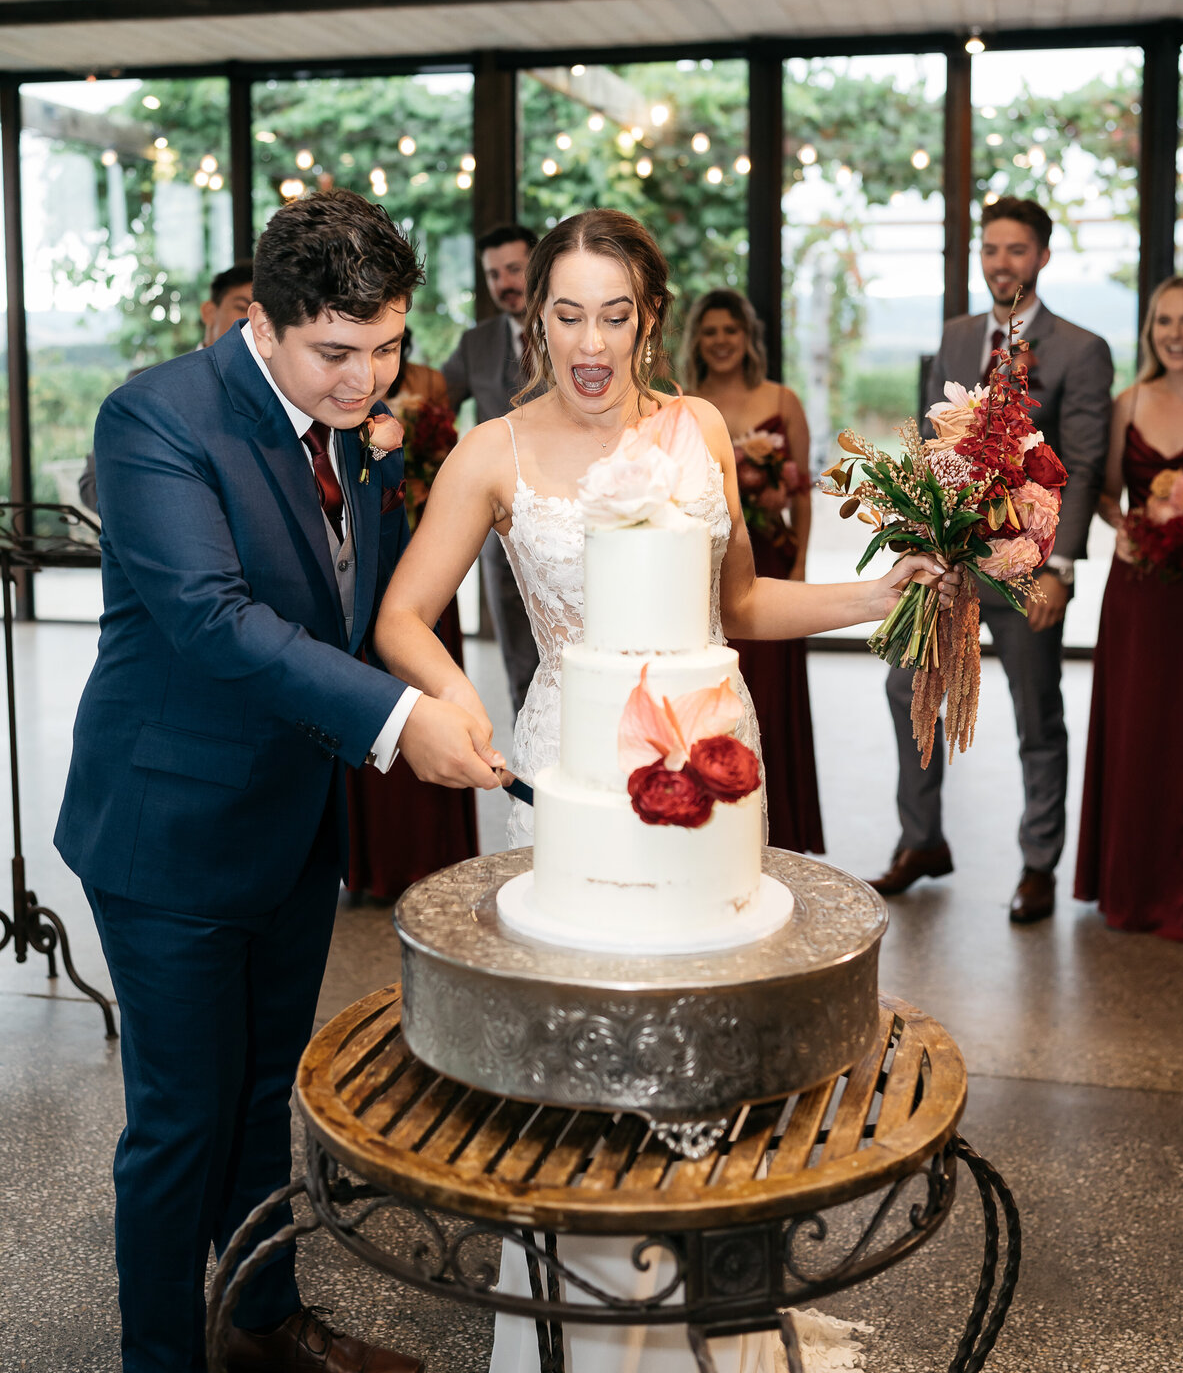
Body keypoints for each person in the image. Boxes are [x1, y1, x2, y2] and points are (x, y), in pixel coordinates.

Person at [375, 208, 957, 1373]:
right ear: (532, 315)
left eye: (616, 314)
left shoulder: (697, 426)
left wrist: (873, 594)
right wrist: (459, 700)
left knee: (710, 1036)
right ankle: (591, 1325)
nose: (591, 342)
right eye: (567, 313)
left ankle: (716, 1307)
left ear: (651, 318)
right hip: (573, 768)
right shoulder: (492, 450)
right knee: (589, 1050)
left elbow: (736, 608)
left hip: (714, 755)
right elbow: (400, 616)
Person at [55, 191, 507, 1373]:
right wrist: (400, 718)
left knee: (267, 1101)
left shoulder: (346, 422)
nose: (368, 381)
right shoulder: (156, 417)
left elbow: (341, 595)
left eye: (389, 346)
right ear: (265, 318)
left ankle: (266, 1321)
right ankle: (160, 1357)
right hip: (169, 830)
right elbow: (213, 621)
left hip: (291, 823)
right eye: (337, 353)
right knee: (180, 1125)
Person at [871, 194, 1113, 925]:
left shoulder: (1080, 349)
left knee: (1035, 710)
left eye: (1016, 249)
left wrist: (1057, 568)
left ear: (1042, 255)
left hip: (1025, 565)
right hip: (945, 559)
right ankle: (922, 841)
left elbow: (1088, 464)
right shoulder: (954, 338)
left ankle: (1039, 862)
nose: (1001, 262)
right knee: (904, 689)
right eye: (990, 249)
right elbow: (928, 444)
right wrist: (917, 537)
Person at [1075, 275, 1183, 940]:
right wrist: (1127, 528)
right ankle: (1137, 887)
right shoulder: (1128, 404)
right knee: (1140, 729)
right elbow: (1105, 490)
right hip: (1143, 594)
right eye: (1164, 322)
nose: (1176, 334)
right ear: (1150, 331)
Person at [681, 287, 824, 853]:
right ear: (698, 340)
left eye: (730, 331)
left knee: (776, 696)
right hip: (712, 564)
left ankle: (782, 831)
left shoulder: (783, 399)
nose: (720, 341)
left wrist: (803, 563)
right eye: (710, 331)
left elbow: (804, 493)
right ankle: (721, 823)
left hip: (775, 557)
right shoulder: (684, 403)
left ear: (748, 338)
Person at [345, 330, 478, 901]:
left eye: (387, 346)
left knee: (437, 712)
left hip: (420, 557)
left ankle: (434, 855)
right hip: (363, 587)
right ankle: (375, 864)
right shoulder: (336, 402)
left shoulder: (429, 386)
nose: (373, 365)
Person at [441, 222, 540, 717]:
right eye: (493, 273)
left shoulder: (573, 328)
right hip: (500, 524)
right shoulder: (476, 342)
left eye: (514, 269)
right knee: (519, 660)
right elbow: (431, 401)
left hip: (572, 515)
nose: (504, 282)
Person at [79, 259, 256, 514]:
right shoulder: (146, 385)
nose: (252, 322)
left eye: (265, 313)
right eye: (242, 307)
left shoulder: (282, 391)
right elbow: (93, 486)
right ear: (209, 312)